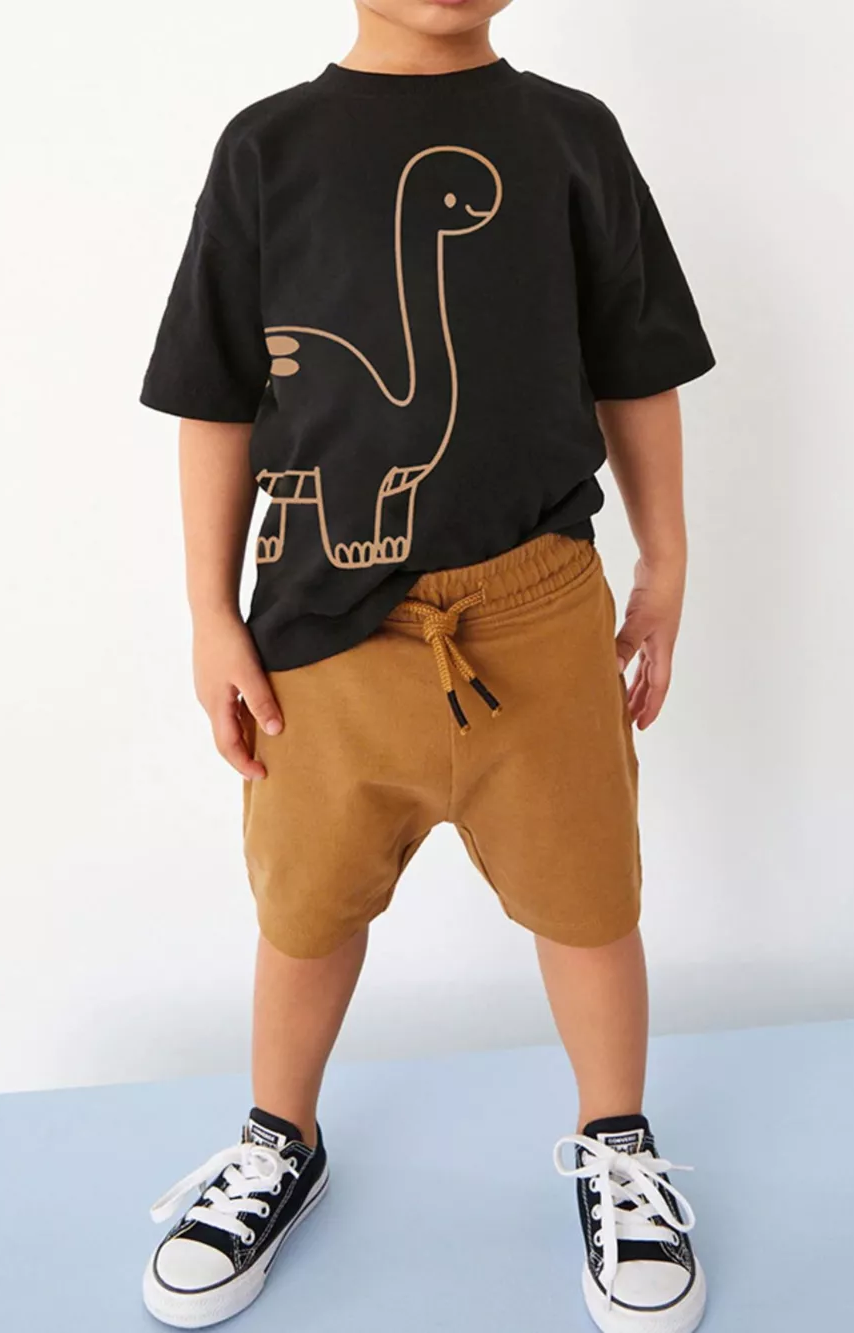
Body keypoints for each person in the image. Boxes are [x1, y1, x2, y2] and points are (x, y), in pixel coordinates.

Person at [137, 1, 715, 1329]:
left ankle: (618, 1141)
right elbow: (215, 394)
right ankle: (278, 1137)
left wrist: (667, 559)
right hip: (322, 631)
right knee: (305, 911)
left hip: (540, 617)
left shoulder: (570, 138)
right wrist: (210, 612)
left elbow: (637, 363)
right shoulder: (267, 149)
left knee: (590, 903)